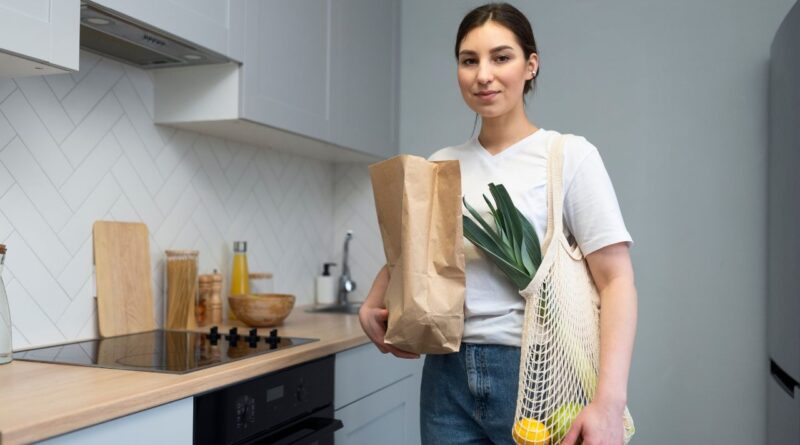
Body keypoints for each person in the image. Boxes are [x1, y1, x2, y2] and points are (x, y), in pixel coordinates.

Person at [358, 3, 637, 445]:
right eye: (469, 60)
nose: (482, 75)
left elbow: (617, 281)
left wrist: (609, 402)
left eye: (500, 57)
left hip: (539, 376)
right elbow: (409, 259)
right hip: (446, 378)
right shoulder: (441, 165)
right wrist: (371, 304)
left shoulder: (567, 157)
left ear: (531, 65)